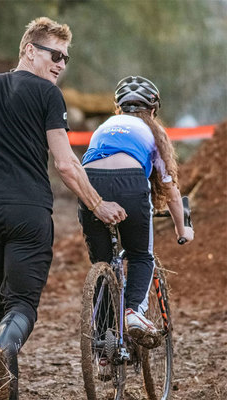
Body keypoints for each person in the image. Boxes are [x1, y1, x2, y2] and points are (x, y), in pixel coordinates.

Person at [0, 17, 126, 400]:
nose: (61, 65)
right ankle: (3, 352)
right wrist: (98, 205)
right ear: (29, 50)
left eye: (66, 59)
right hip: (28, 213)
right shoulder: (48, 96)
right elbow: (66, 164)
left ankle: (4, 388)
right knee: (20, 306)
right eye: (55, 55)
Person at [78, 76, 195, 354]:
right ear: (153, 110)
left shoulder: (105, 127)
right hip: (130, 182)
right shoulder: (153, 132)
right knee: (140, 255)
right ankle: (133, 313)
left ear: (118, 109)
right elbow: (171, 191)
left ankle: (104, 346)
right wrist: (183, 230)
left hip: (88, 183)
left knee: (103, 263)